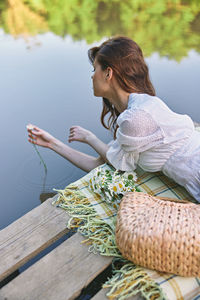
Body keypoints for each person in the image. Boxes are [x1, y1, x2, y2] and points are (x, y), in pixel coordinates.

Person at [27, 36, 200, 202]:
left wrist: (90, 138)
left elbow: (117, 163)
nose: (92, 76)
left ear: (108, 73)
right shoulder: (135, 112)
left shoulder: (137, 118)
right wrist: (52, 144)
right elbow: (102, 164)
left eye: (95, 69)